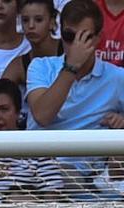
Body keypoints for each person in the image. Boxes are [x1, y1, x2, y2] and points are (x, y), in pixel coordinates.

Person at [26, 0, 124, 132]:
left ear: (99, 37)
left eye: (84, 37)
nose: (76, 45)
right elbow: (42, 116)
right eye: (69, 36)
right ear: (61, 34)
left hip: (90, 152)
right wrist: (71, 66)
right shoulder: (40, 66)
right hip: (44, 151)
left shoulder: (116, 77)